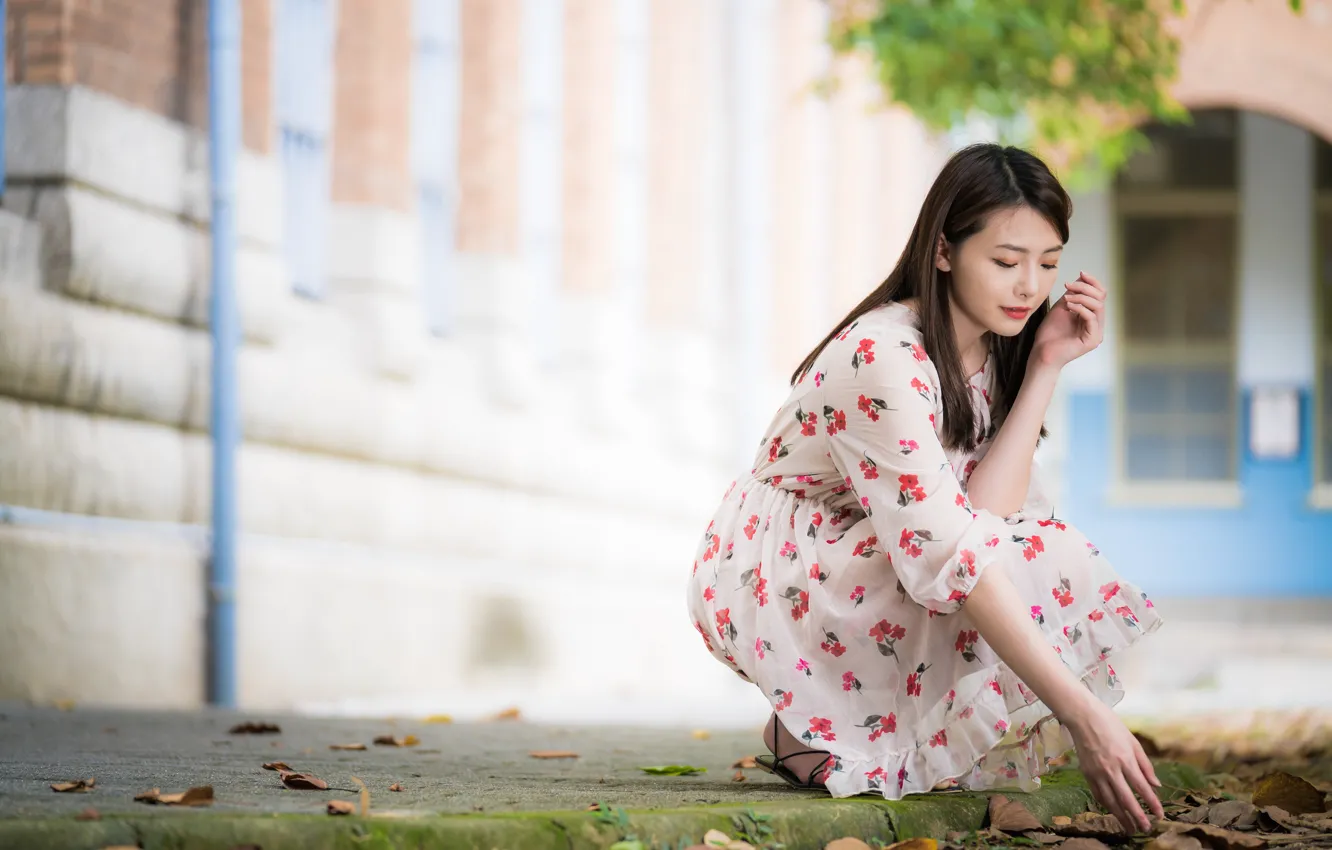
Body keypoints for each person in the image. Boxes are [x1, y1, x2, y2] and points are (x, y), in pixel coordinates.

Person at [686, 143, 1166, 833]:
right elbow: (950, 551)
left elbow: (986, 516)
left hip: (884, 537)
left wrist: (1045, 367)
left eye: (1049, 262)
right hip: (790, 560)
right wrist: (1081, 714)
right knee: (1006, 563)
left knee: (1036, 549)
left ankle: (851, 726)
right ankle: (806, 730)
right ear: (944, 251)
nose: (1030, 286)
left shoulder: (994, 345)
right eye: (1006, 261)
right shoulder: (883, 355)